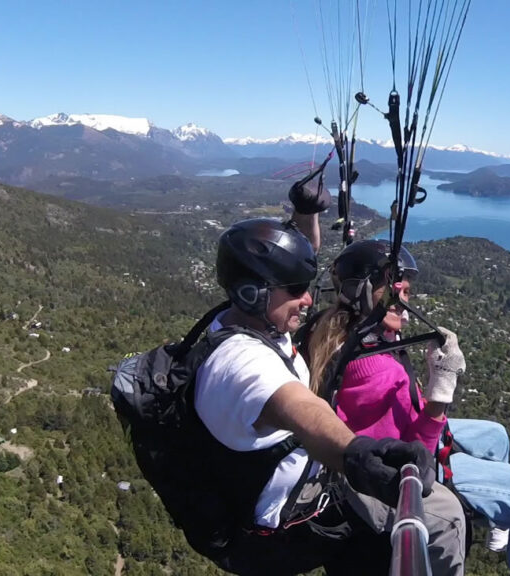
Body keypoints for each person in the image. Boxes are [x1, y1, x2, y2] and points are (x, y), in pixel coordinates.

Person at [187, 189, 465, 576]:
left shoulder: (256, 320)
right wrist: (355, 454)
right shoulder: (240, 362)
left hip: (311, 481)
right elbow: (302, 411)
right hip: (292, 520)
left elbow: (301, 269)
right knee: (446, 517)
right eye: (297, 291)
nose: (307, 300)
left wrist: (306, 213)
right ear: (255, 292)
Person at [301, 239, 510, 576]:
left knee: (495, 436)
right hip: (397, 473)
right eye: (397, 293)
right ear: (364, 294)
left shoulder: (345, 331)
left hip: (395, 430)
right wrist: (440, 392)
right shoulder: (374, 369)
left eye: (406, 293)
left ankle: (500, 522)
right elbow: (411, 461)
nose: (405, 303)